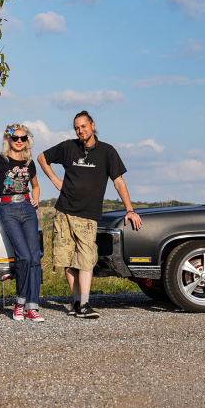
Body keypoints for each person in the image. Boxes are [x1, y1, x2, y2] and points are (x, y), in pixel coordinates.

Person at [37, 110, 142, 319]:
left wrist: (130, 210)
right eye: (76, 128)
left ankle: (85, 304)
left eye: (83, 127)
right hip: (63, 212)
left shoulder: (107, 151)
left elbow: (118, 181)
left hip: (87, 215)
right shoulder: (68, 147)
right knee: (67, 258)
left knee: (85, 259)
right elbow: (41, 157)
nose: (80, 131)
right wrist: (55, 180)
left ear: (92, 125)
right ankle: (77, 302)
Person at [0, 124, 43, 322]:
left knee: (35, 258)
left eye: (23, 138)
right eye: (16, 138)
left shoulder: (29, 163)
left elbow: (35, 186)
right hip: (9, 210)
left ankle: (32, 307)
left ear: (27, 141)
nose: (20, 141)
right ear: (9, 140)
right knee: (24, 257)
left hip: (28, 210)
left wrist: (35, 199)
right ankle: (19, 304)